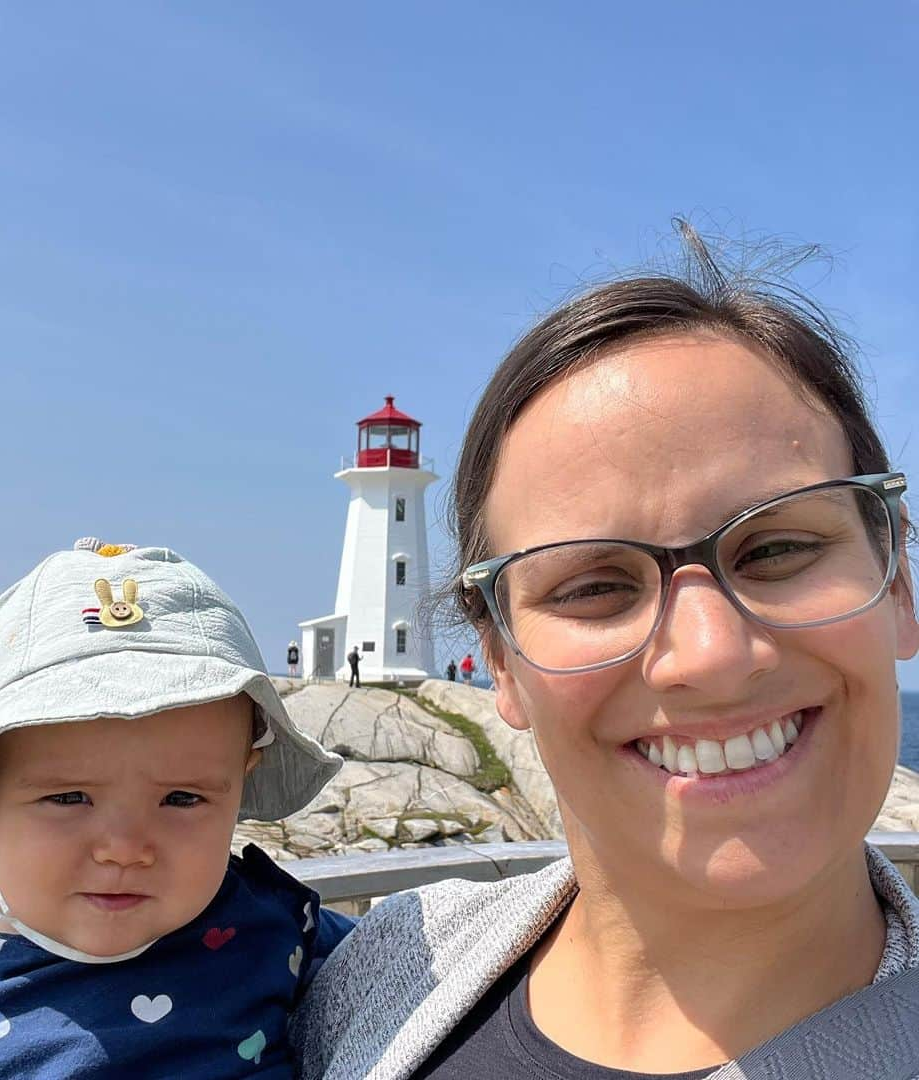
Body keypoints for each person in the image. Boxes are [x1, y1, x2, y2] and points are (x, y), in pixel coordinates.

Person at [292, 226, 919, 1079]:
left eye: (777, 549)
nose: (710, 654)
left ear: (899, 589)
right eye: (594, 586)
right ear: (500, 661)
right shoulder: (377, 975)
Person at [0, 541, 352, 1079]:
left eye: (182, 798)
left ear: (240, 782)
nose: (124, 848)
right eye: (68, 798)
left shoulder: (274, 926)